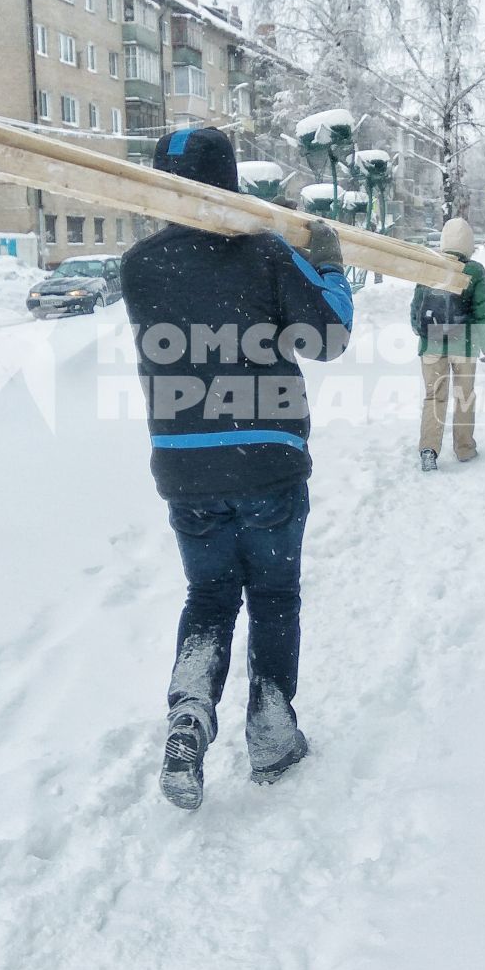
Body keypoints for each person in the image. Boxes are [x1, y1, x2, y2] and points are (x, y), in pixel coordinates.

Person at [120, 126, 353, 811]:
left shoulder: (137, 265)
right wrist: (330, 266)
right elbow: (328, 337)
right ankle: (272, 729)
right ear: (230, 184)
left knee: (210, 597)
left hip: (185, 465)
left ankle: (190, 711)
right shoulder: (264, 255)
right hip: (267, 459)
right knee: (273, 595)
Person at [409, 217, 485, 471]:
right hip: (464, 345)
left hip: (431, 345)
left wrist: (421, 331)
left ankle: (428, 449)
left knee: (434, 396)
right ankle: (465, 448)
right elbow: (482, 312)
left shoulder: (430, 264)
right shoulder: (475, 271)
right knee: (464, 396)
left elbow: (416, 307)